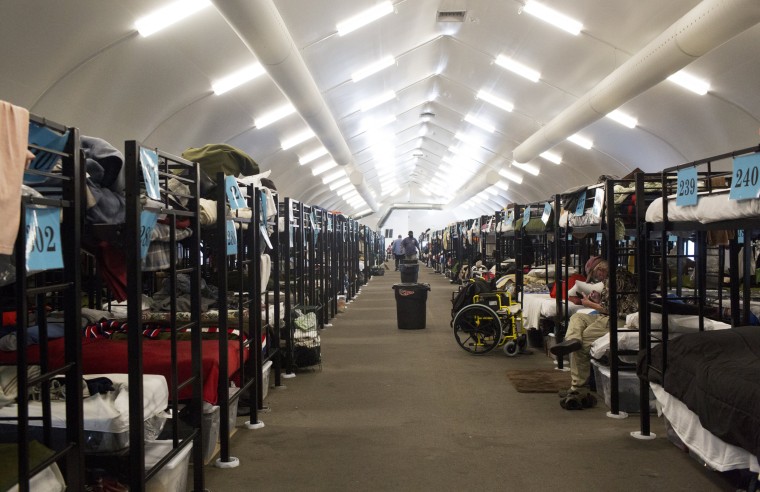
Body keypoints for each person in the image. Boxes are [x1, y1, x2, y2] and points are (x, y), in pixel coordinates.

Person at [550, 262, 638, 410]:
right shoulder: (616, 277)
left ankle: (579, 388)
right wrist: (597, 300)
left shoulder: (616, 279)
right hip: (607, 316)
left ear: (602, 270)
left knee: (582, 346)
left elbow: (613, 310)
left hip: (617, 321)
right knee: (577, 317)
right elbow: (611, 303)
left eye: (597, 275)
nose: (597, 279)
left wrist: (589, 304)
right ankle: (572, 340)